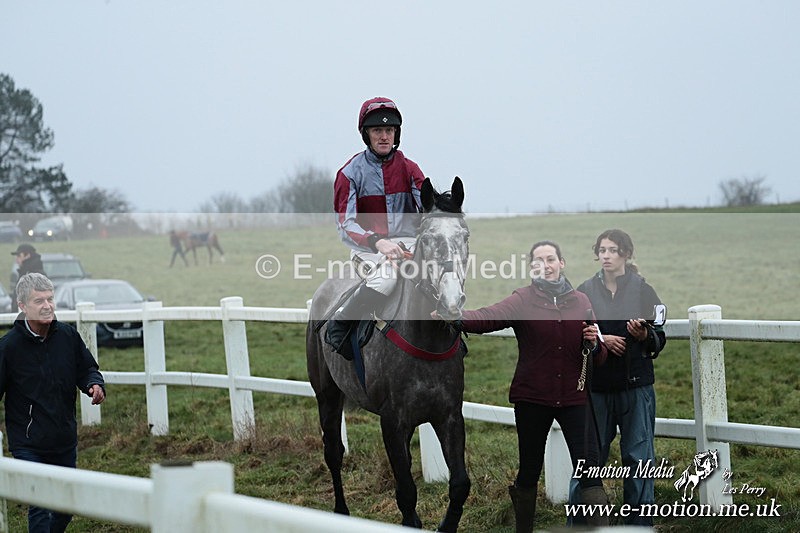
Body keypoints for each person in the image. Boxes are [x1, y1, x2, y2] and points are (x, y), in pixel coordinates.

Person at [453, 240, 610, 532]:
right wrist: (455, 317)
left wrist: (593, 344)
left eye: (551, 259)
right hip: (532, 399)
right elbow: (489, 317)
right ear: (532, 268)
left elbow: (598, 355)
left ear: (562, 263)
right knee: (529, 472)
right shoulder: (522, 299)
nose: (546, 265)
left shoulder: (582, 302)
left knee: (591, 474)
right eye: (539, 261)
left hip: (575, 399)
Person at [567, 229, 666, 526]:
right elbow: (574, 331)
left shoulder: (643, 290)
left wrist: (645, 334)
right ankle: (580, 527)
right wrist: (602, 337)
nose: (606, 256)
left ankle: (638, 527)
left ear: (626, 254)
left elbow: (660, 335)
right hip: (596, 389)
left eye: (612, 250)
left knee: (638, 461)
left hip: (636, 388)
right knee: (588, 463)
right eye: (602, 250)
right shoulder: (584, 291)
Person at [0, 272, 106, 533]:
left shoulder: (67, 336)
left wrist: (94, 384)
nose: (47, 305)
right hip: (28, 442)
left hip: (63, 437)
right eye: (39, 301)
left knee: (65, 506)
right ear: (22, 306)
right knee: (41, 502)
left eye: (50, 298)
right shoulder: (8, 347)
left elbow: (87, 368)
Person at [326, 97, 426, 357]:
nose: (384, 136)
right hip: (368, 248)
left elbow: (427, 210)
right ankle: (341, 322)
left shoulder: (410, 168)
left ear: (396, 134)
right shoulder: (349, 173)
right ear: (366, 135)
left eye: (389, 131)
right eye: (377, 131)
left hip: (408, 243)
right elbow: (345, 223)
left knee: (439, 277)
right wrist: (377, 241)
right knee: (386, 279)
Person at [9, 243, 45, 312]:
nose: (16, 260)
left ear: (27, 255)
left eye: (19, 256)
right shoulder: (24, 273)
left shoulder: (35, 275)